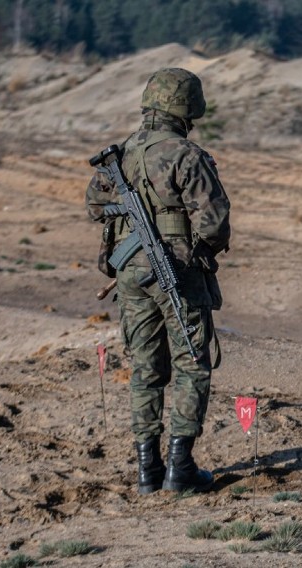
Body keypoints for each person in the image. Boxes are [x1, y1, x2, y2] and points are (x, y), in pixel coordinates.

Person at [86, 68, 231, 494]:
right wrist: (197, 251)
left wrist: (131, 217)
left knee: (146, 369)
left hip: (130, 272)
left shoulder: (124, 152)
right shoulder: (186, 154)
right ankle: (179, 467)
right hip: (177, 270)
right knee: (192, 363)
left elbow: (95, 204)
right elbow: (216, 222)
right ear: (188, 108)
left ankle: (147, 468)